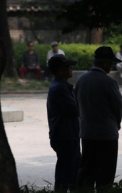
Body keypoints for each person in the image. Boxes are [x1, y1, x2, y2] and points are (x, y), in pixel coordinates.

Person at [75, 46, 122, 192]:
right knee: (105, 175)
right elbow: (118, 106)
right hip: (107, 134)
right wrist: (117, 124)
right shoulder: (108, 82)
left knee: (87, 171)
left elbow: (77, 103)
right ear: (105, 63)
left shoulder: (81, 80)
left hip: (88, 132)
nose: (111, 66)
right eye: (111, 63)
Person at [46, 54, 81, 192]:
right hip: (65, 136)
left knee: (72, 170)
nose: (71, 68)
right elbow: (75, 109)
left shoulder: (62, 86)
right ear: (60, 70)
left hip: (67, 134)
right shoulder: (60, 88)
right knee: (66, 173)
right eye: (68, 67)